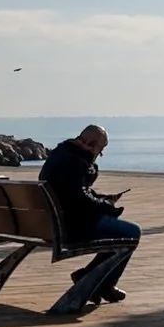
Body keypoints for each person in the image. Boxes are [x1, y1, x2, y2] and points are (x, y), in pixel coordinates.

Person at [38, 124, 140, 305]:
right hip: (70, 227)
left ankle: (95, 280)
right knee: (131, 233)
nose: (99, 154)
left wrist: (100, 198)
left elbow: (74, 192)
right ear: (92, 144)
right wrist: (107, 206)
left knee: (119, 233)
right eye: (101, 150)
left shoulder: (61, 153)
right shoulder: (74, 161)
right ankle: (99, 282)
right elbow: (81, 199)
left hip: (55, 222)